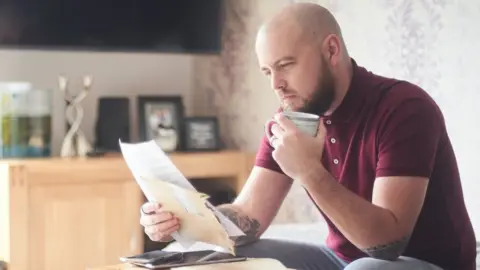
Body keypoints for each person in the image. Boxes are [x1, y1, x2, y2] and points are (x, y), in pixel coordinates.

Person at [139, 3, 476, 270]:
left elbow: (386, 245)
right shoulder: (289, 121)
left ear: (331, 50)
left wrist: (309, 172)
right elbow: (249, 218)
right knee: (205, 257)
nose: (276, 84)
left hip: (423, 264)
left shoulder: (404, 108)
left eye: (286, 65)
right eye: (268, 71)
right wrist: (188, 221)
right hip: (340, 261)